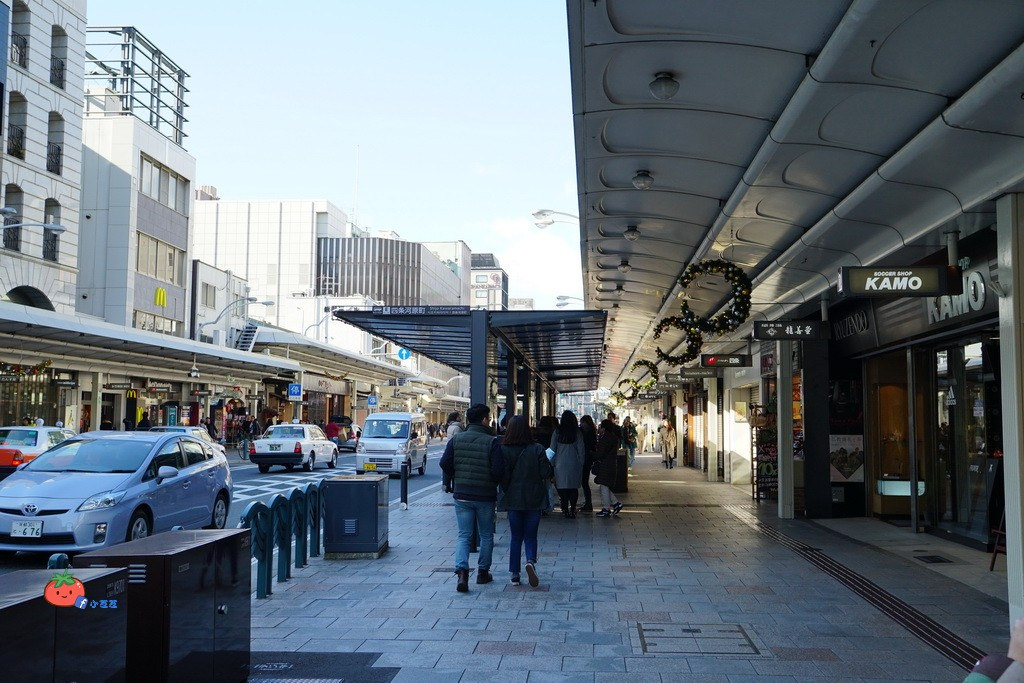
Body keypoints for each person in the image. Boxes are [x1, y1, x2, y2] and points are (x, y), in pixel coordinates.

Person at [439, 404, 503, 593]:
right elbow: (498, 470)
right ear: (484, 419)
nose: (490, 420)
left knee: (464, 535)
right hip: (485, 495)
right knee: (485, 535)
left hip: (463, 495)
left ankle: (462, 573)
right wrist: (490, 481)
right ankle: (483, 573)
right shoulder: (492, 442)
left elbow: (445, 463)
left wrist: (456, 477)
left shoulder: (456, 439)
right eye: (489, 418)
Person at [498, 415, 552, 587]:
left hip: (514, 499)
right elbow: (546, 473)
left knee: (515, 537)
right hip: (534, 498)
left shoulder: (504, 449)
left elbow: (503, 477)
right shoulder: (537, 448)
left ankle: (515, 574)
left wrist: (507, 490)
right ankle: (530, 561)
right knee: (530, 536)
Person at [550, 410, 585, 518]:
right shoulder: (577, 432)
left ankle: (564, 508)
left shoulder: (557, 432)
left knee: (562, 487)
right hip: (574, 463)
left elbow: (552, 448)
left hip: (560, 463)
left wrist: (552, 463)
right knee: (573, 488)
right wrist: (581, 463)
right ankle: (573, 508)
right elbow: (581, 449)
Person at [594, 418, 624, 518]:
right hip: (611, 463)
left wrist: (593, 454)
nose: (599, 429)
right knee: (605, 486)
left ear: (604, 428)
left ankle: (606, 509)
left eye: (600, 427)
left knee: (603, 486)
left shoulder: (605, 438)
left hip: (605, 464)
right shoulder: (614, 437)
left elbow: (600, 453)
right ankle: (616, 503)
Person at [578, 415, 597, 513]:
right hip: (588, 459)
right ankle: (588, 503)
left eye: (582, 422)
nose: (581, 424)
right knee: (584, 482)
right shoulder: (592, 432)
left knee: (584, 482)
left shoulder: (584, 432)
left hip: (585, 459)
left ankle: (588, 503)